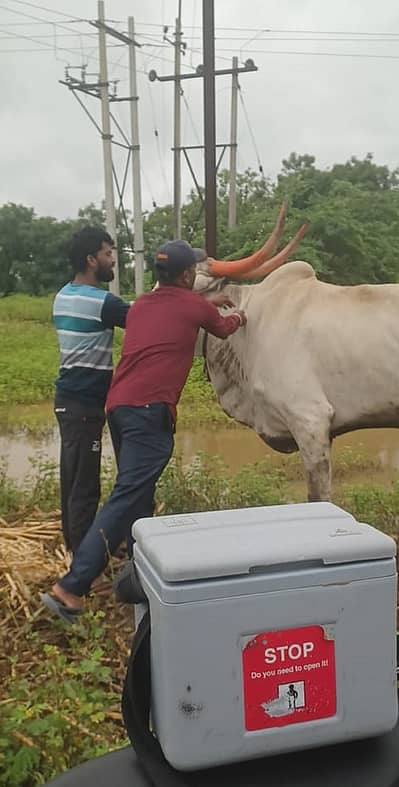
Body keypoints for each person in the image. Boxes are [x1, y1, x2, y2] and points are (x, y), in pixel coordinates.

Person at [41, 240, 246, 621]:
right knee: (129, 494)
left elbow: (178, 313)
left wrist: (204, 306)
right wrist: (241, 314)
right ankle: (71, 587)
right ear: (188, 275)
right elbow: (224, 328)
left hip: (117, 406)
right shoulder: (192, 304)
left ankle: (139, 573)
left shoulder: (141, 307)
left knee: (139, 496)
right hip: (149, 412)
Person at [52, 226, 130, 553]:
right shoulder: (101, 302)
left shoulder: (63, 295)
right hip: (84, 405)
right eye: (107, 254)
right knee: (85, 487)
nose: (113, 260)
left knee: (72, 479)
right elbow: (145, 317)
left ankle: (74, 548)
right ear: (91, 259)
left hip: (67, 401)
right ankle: (83, 568)